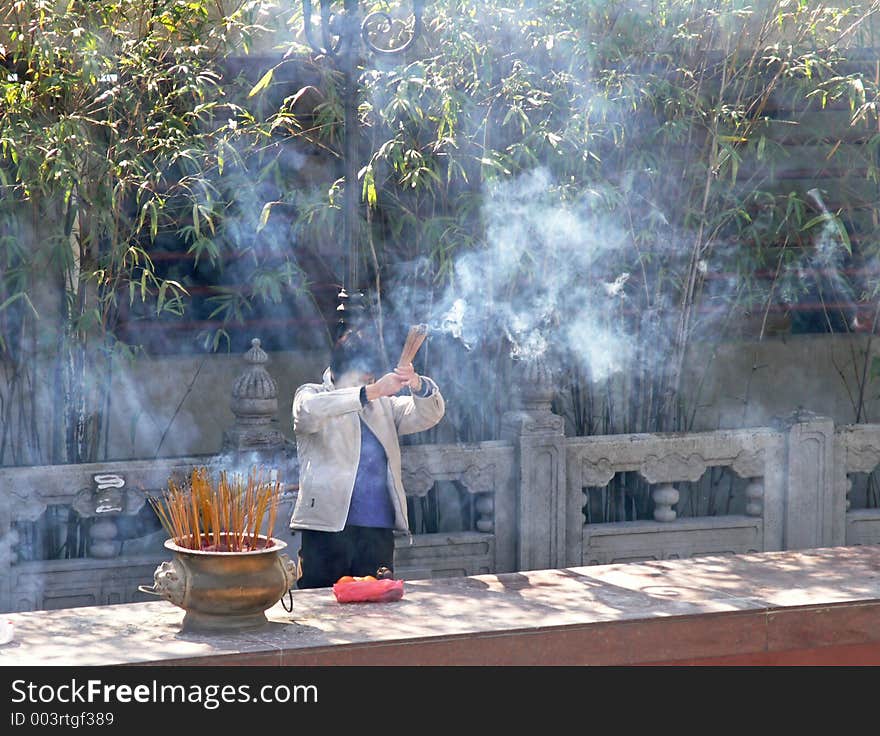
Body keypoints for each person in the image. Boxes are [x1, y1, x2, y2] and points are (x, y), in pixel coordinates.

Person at [290, 328, 445, 588]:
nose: (368, 380)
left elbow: (427, 415)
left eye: (371, 375)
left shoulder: (383, 406)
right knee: (323, 611)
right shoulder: (312, 394)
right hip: (327, 529)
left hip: (377, 531)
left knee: (376, 612)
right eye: (362, 375)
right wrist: (369, 392)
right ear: (340, 369)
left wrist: (417, 384)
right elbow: (307, 413)